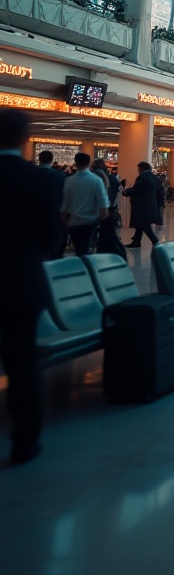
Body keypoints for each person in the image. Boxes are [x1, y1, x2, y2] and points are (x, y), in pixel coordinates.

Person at [0, 108, 62, 463]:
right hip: (23, 283)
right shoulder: (39, 179)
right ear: (25, 139)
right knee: (23, 362)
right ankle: (26, 439)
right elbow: (51, 237)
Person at [59, 152, 109, 257]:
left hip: (74, 221)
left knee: (79, 248)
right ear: (89, 163)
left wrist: (65, 221)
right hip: (91, 221)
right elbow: (103, 205)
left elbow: (64, 205)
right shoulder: (96, 180)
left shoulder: (69, 181)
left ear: (75, 163)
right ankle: (88, 266)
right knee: (87, 246)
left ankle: (82, 264)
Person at [123, 161, 164, 248]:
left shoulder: (142, 177)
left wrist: (126, 191)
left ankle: (155, 241)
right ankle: (136, 242)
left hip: (142, 205)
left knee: (144, 224)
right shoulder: (153, 177)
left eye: (138, 169)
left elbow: (136, 189)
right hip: (151, 204)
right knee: (140, 224)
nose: (138, 170)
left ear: (141, 168)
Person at [91, 159, 126, 258]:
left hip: (98, 207)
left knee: (95, 228)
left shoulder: (95, 175)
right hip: (110, 207)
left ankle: (93, 245)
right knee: (108, 231)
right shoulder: (112, 178)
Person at [37, 150, 68, 258]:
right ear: (51, 160)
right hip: (54, 214)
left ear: (39, 159)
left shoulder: (31, 174)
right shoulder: (60, 176)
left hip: (34, 215)